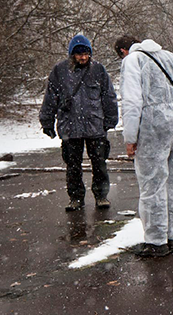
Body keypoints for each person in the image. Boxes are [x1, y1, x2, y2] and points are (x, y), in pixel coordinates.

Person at [115, 35, 173, 258]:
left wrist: (130, 138)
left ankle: (155, 241)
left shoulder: (133, 61)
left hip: (153, 123)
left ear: (124, 50)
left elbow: (132, 102)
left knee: (152, 182)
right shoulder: (172, 57)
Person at [39, 34, 119, 211]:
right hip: (70, 126)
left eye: (86, 53)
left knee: (99, 163)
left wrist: (111, 119)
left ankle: (101, 196)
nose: (83, 57)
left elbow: (109, 96)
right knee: (72, 165)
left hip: (95, 126)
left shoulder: (99, 70)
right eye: (79, 54)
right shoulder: (59, 72)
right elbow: (50, 98)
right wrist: (47, 122)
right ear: (71, 54)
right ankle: (75, 198)